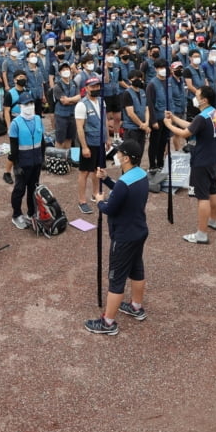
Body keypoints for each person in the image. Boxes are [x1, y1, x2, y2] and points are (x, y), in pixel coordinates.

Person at [85, 139, 150, 336]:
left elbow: (110, 208)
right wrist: (106, 180)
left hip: (123, 236)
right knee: (137, 269)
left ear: (127, 158)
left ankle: (108, 322)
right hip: (139, 231)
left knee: (116, 278)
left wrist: (99, 202)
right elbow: (123, 192)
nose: (117, 156)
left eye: (120, 153)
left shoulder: (124, 183)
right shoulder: (141, 175)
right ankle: (136, 307)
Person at [164, 85, 216, 244]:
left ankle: (201, 234)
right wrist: (174, 118)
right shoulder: (213, 112)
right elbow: (192, 126)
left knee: (202, 196)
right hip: (213, 158)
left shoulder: (202, 117)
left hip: (202, 160)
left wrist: (169, 125)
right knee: (213, 189)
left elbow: (185, 133)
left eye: (197, 95)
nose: (194, 97)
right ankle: (213, 221)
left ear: (204, 99)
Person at [8, 91, 45, 230]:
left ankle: (31, 212)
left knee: (33, 188)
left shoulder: (38, 119)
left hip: (36, 161)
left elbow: (42, 140)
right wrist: (16, 165)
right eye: (26, 104)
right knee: (19, 190)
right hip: (23, 163)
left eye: (31, 103)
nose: (29, 106)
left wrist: (43, 158)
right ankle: (16, 214)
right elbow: (13, 147)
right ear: (20, 106)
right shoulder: (15, 123)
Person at [74, 76, 106, 215]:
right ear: (86, 88)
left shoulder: (101, 101)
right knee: (84, 172)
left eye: (97, 86)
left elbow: (104, 121)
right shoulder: (82, 105)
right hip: (89, 143)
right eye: (92, 86)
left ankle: (95, 194)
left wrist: (107, 138)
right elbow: (80, 128)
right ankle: (82, 201)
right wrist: (85, 147)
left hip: (100, 141)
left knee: (98, 169)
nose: (96, 89)